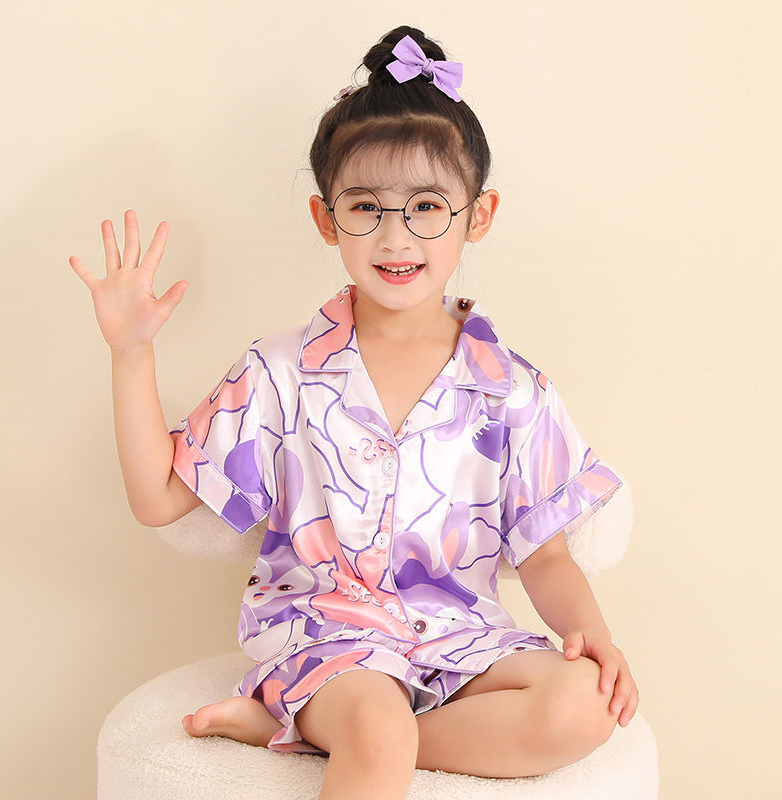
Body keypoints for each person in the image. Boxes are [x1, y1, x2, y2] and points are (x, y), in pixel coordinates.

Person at [71, 25, 639, 800]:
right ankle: (334, 723)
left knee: (585, 706)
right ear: (325, 217)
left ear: (478, 215)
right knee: (377, 723)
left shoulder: (513, 388)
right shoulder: (280, 372)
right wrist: (131, 353)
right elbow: (158, 499)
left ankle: (291, 732)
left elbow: (544, 555)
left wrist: (595, 642)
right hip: (327, 639)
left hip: (459, 640)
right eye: (366, 207)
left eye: (427, 206)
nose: (395, 237)